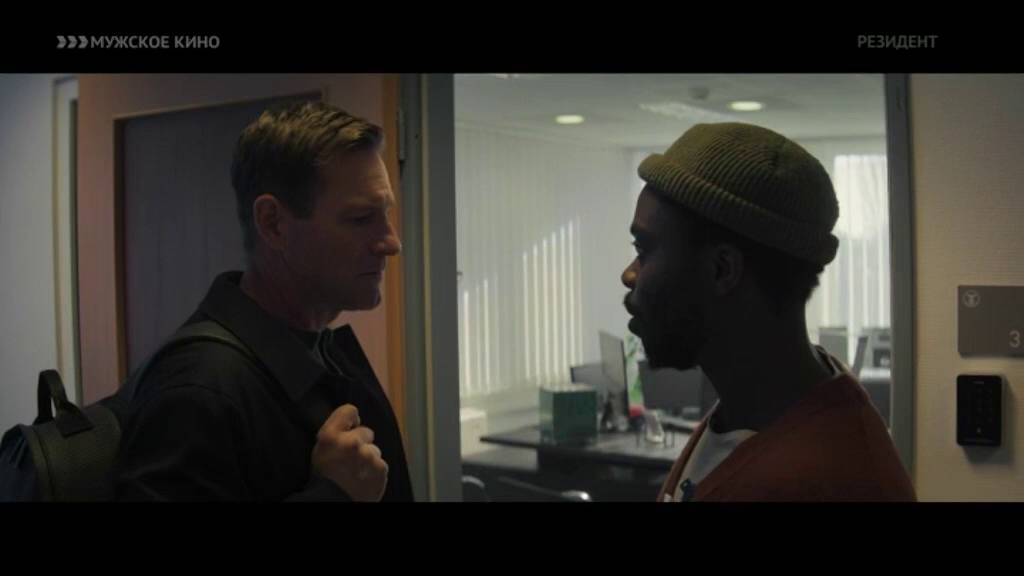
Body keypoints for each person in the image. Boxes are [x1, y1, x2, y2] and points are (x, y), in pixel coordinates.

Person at [114, 101, 413, 501]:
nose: (391, 243)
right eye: (361, 219)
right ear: (273, 224)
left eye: (385, 214)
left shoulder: (320, 353)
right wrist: (333, 495)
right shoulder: (196, 390)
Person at [621, 122, 915, 502]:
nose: (629, 274)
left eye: (643, 250)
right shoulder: (750, 411)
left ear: (722, 269)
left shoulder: (828, 480)